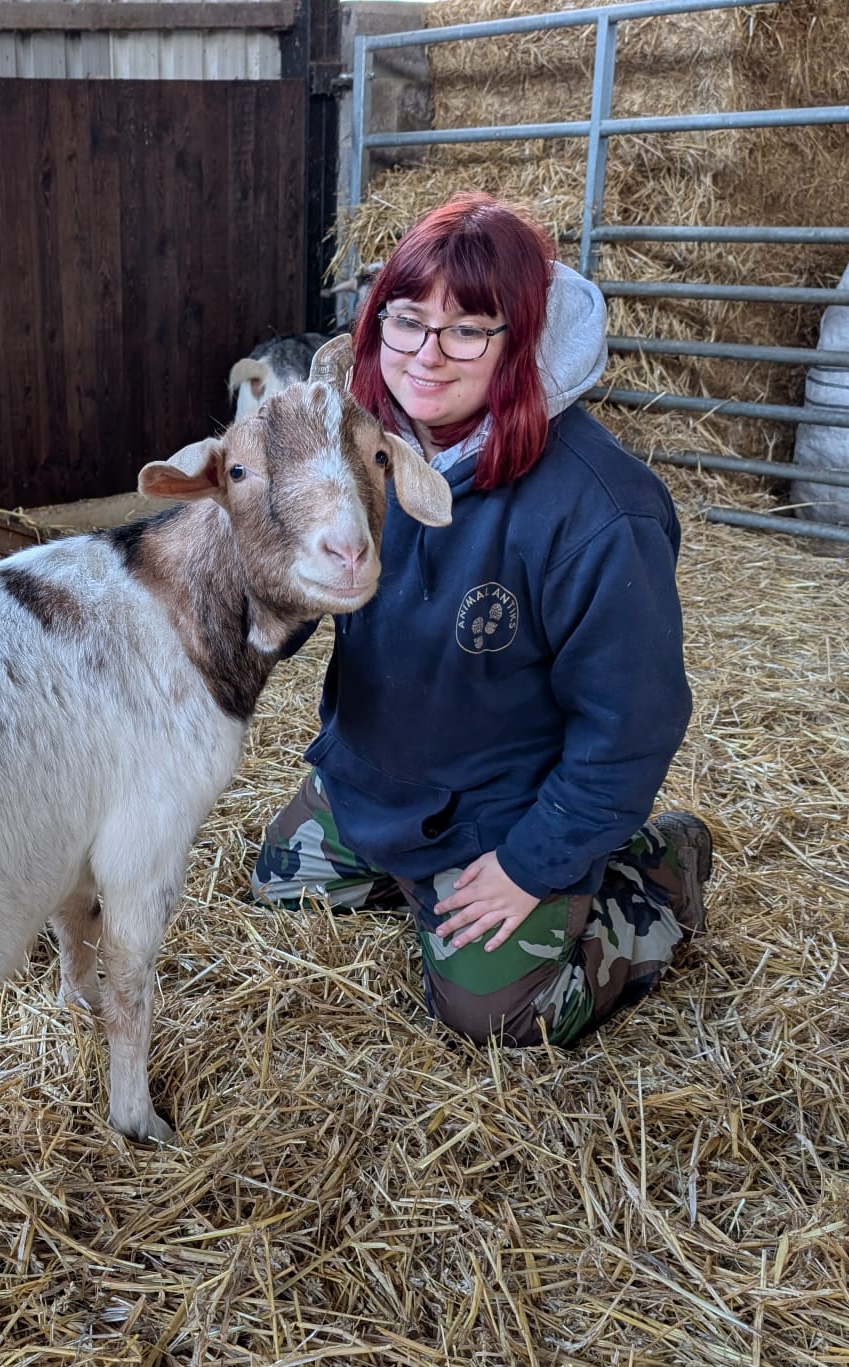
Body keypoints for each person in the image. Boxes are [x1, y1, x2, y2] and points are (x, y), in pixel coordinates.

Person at [251, 192, 712, 1048]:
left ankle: (653, 872)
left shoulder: (599, 514)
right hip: (378, 780)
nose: (427, 355)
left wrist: (530, 865)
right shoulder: (353, 447)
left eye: (467, 330)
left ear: (520, 340)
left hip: (503, 809)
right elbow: (287, 599)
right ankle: (414, 877)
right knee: (280, 887)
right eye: (407, 321)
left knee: (494, 1019)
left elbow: (631, 725)